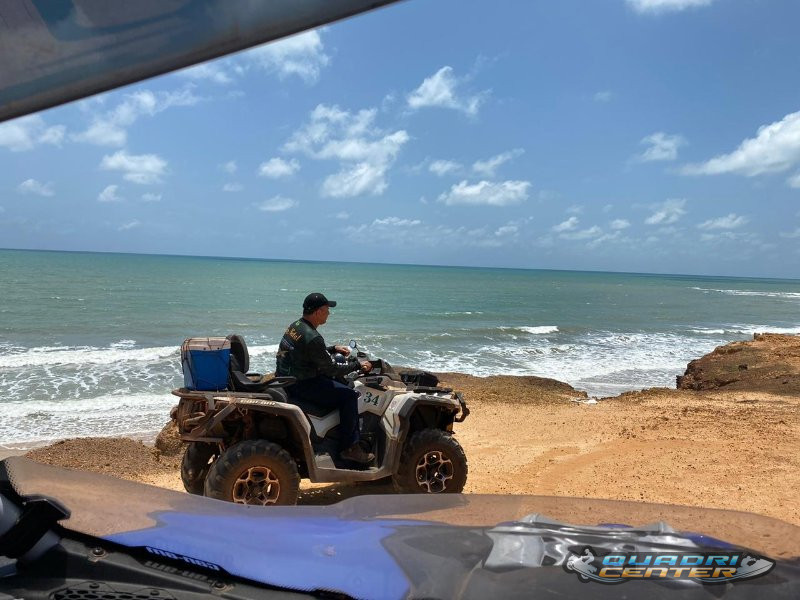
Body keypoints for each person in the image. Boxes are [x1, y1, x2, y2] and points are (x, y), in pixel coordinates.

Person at [275, 292, 374, 464]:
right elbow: (331, 369)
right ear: (318, 312)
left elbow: (304, 352)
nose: (329, 313)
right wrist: (358, 366)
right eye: (327, 309)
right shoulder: (313, 337)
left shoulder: (296, 326)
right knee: (349, 396)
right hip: (302, 384)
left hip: (286, 377)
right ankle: (350, 448)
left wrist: (332, 348)